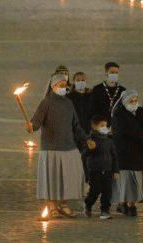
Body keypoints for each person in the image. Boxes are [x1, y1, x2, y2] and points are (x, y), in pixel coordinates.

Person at [27, 73, 89, 218]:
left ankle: (63, 204)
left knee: (66, 178)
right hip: (51, 148)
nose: (63, 88)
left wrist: (86, 139)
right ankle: (52, 205)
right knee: (52, 178)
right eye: (60, 85)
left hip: (68, 147)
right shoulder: (46, 102)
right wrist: (31, 126)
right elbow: (36, 122)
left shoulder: (68, 103)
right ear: (53, 86)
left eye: (64, 85)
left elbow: (76, 125)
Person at [111, 89, 143, 217]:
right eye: (130, 101)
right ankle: (123, 203)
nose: (133, 103)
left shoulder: (141, 112)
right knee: (125, 180)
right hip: (123, 152)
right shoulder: (118, 114)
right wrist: (140, 134)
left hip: (138, 153)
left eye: (135, 100)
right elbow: (121, 132)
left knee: (135, 180)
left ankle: (133, 205)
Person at [82, 114, 119, 220]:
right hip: (95, 171)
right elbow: (84, 155)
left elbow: (114, 156)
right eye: (102, 125)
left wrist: (115, 170)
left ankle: (105, 210)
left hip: (108, 171)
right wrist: (90, 149)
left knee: (107, 192)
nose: (105, 128)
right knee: (95, 191)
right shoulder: (91, 140)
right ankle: (88, 204)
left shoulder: (109, 140)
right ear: (95, 127)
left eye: (106, 125)